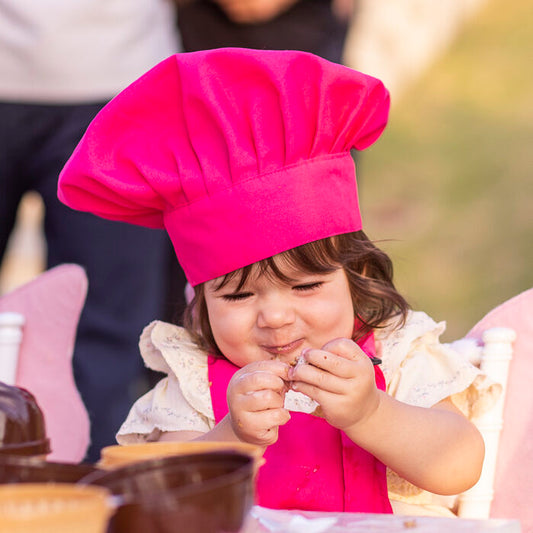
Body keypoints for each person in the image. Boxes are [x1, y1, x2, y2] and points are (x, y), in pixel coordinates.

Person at [57, 48, 486, 512]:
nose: (276, 317)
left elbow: (459, 467)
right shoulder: (195, 380)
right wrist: (233, 435)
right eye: (239, 295)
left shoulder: (398, 352)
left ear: (356, 275)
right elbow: (161, 498)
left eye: (306, 286)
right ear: (199, 302)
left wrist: (372, 412)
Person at [0, 0, 181, 462]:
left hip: (122, 81)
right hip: (121, 71)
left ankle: (91, 501)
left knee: (111, 335)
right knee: (110, 333)